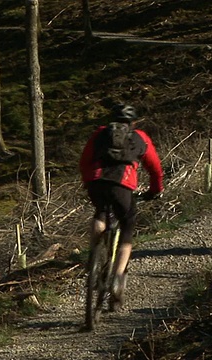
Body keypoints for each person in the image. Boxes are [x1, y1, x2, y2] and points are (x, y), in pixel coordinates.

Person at [79, 103, 164, 310]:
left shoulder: (99, 134)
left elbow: (84, 161)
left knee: (100, 212)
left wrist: (88, 181)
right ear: (133, 122)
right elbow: (155, 168)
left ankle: (94, 250)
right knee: (127, 226)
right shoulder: (140, 137)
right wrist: (155, 190)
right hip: (123, 186)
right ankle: (118, 277)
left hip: (96, 182)